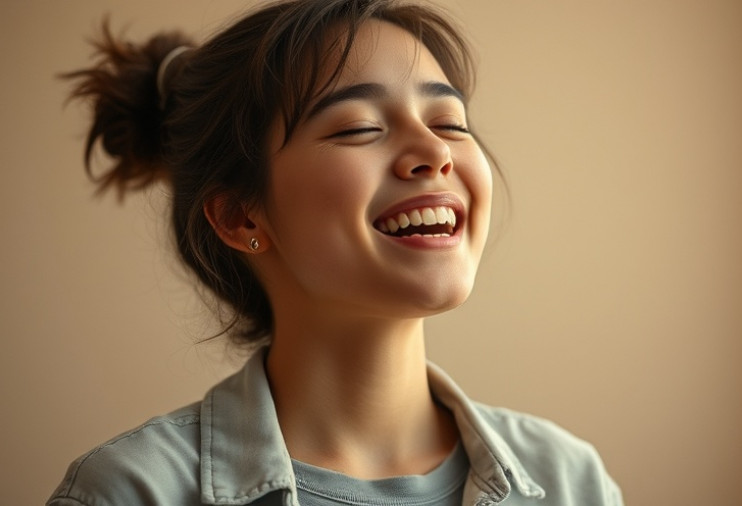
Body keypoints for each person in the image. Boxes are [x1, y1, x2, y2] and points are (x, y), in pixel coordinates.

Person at [48, 0, 624, 504]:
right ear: (240, 215)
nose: (435, 152)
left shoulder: (571, 481)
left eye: (450, 122)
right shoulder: (129, 492)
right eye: (358, 128)